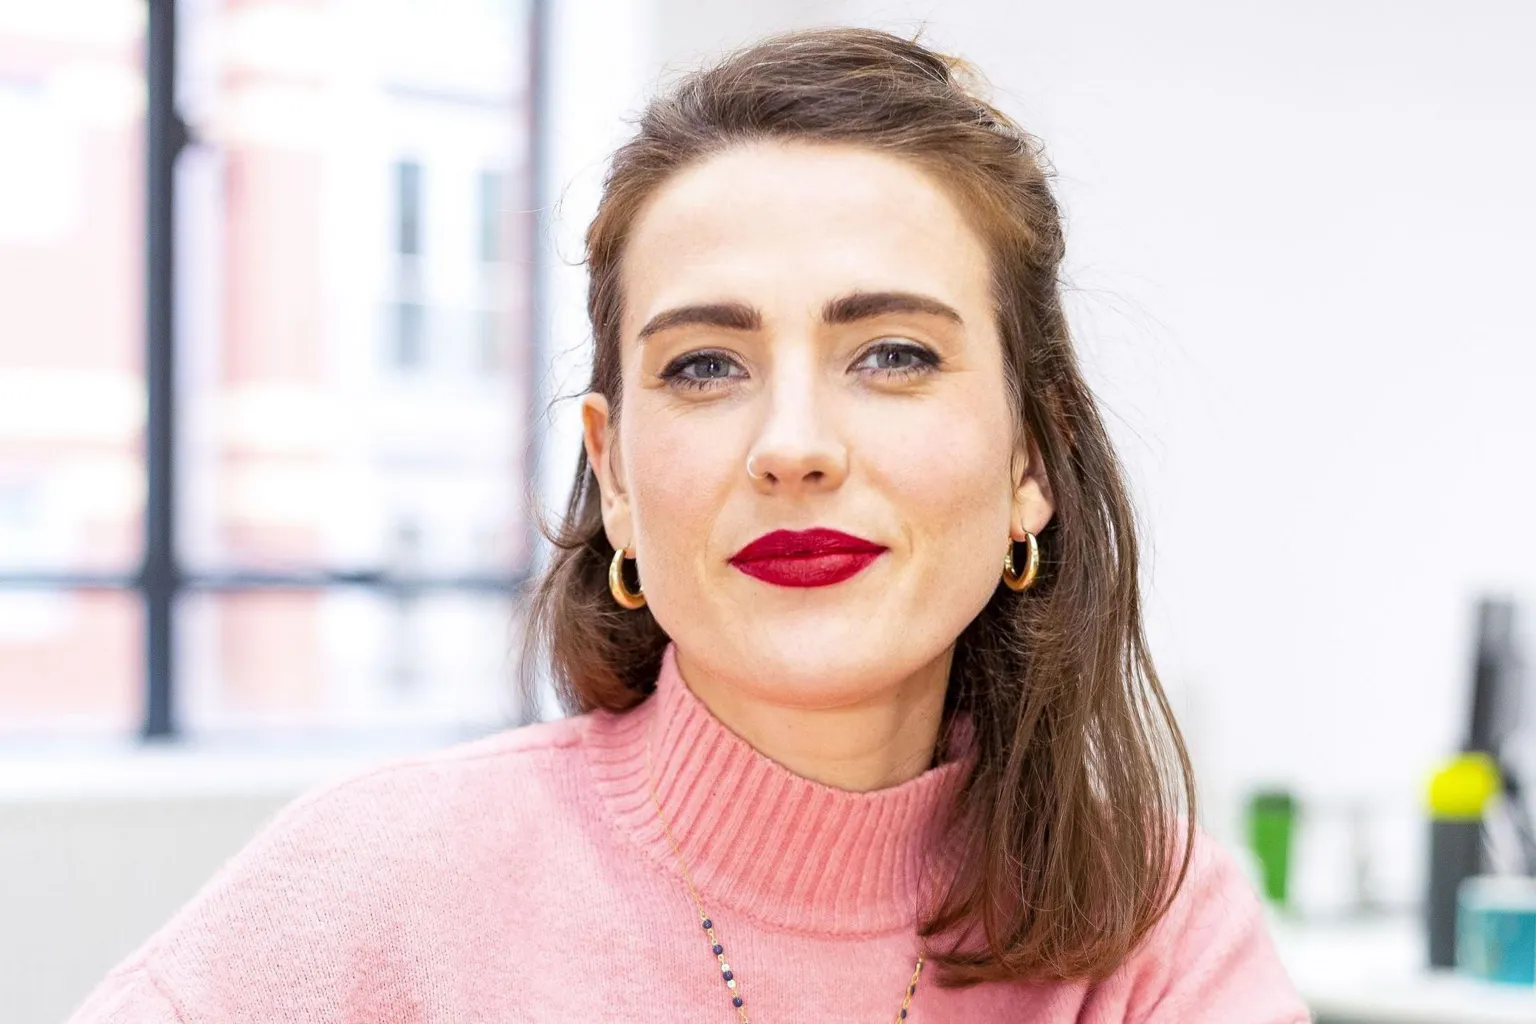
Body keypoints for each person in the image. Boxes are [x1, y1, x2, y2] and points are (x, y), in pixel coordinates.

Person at [67, 26, 1309, 1024]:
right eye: (706, 367)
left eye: (892, 353)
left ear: (1032, 458)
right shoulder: (379, 878)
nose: (793, 445)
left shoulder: (1160, 934)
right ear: (612, 474)